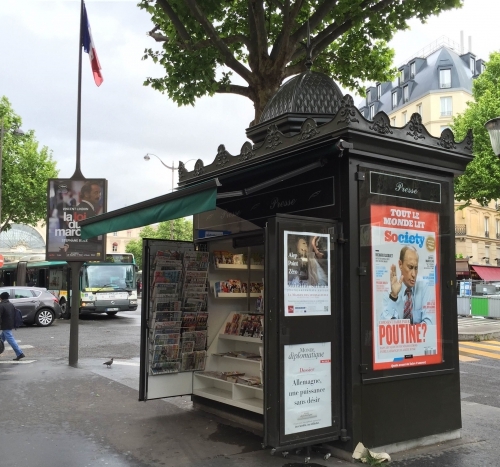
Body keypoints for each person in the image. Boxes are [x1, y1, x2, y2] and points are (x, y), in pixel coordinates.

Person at [381, 246, 433, 325]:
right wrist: (393, 296)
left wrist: (408, 333)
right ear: (400, 264)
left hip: (418, 337)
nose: (414, 274)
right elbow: (385, 325)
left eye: (416, 268)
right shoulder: (388, 290)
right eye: (410, 267)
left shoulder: (424, 287)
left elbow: (428, 323)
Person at [0, 291, 25, 361]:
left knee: (10, 339)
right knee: (1, 338)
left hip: (5, 325)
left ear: (1, 298)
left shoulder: (1, 305)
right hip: (10, 324)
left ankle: (19, 353)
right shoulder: (10, 304)